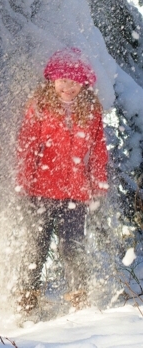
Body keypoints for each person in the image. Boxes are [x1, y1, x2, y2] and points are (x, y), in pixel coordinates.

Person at [16, 47, 108, 313]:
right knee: (36, 246)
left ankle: (80, 297)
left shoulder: (91, 110)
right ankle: (26, 297)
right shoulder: (40, 107)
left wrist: (99, 180)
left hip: (76, 193)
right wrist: (24, 179)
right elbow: (28, 144)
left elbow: (98, 148)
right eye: (63, 81)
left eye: (74, 81)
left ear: (84, 83)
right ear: (52, 80)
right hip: (42, 190)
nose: (68, 87)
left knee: (72, 247)